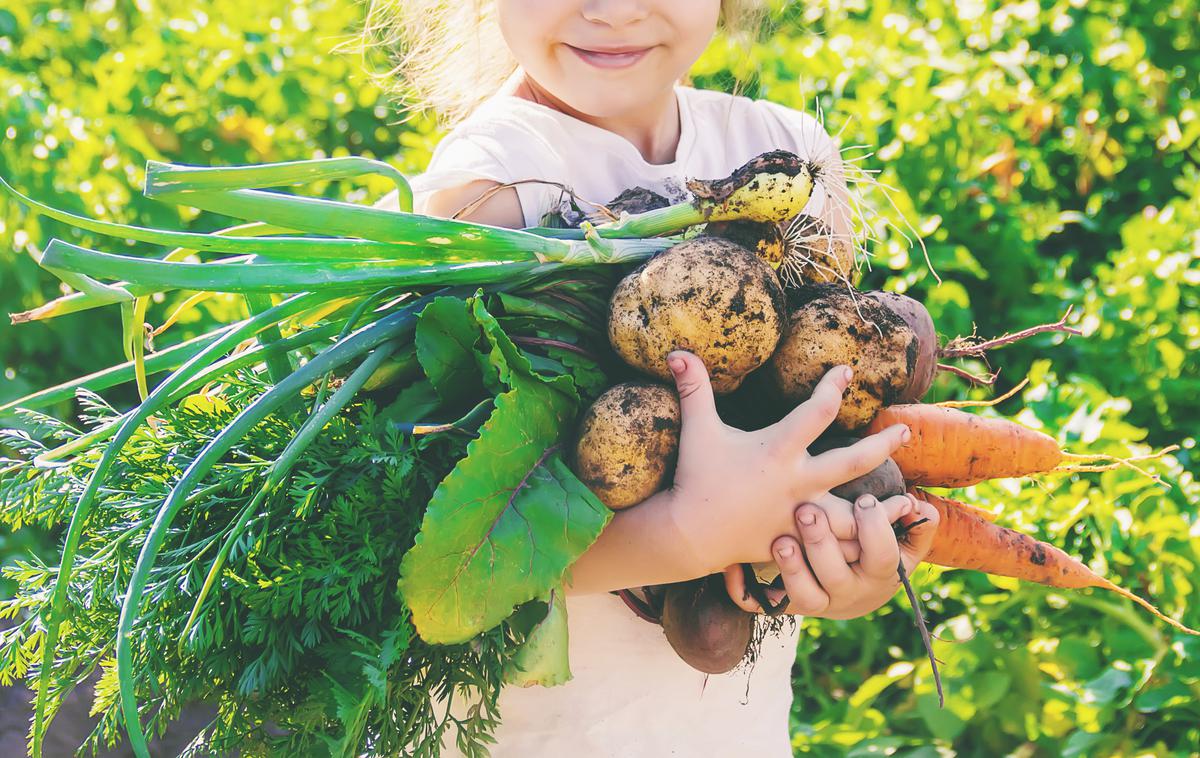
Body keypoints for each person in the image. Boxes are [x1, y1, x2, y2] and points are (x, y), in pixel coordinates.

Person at [370, 1, 941, 754]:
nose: (613, 10)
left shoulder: (788, 155)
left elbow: (827, 403)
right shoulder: (488, 193)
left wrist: (845, 560)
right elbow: (442, 554)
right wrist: (683, 537)